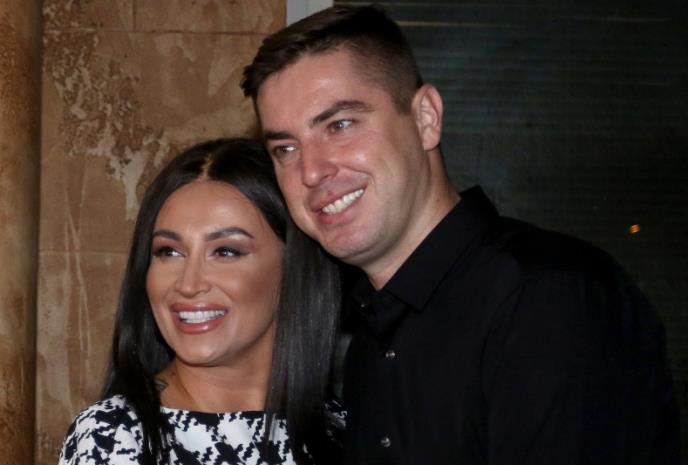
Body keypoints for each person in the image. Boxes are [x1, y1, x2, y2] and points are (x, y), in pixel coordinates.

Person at [241, 5, 679, 465]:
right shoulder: (367, 342)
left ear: (426, 118)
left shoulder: (547, 297)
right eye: (285, 148)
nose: (311, 171)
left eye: (340, 125)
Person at [58, 138, 342, 465]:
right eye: (169, 251)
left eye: (225, 251)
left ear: (294, 266)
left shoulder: (348, 431)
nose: (189, 284)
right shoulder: (114, 438)